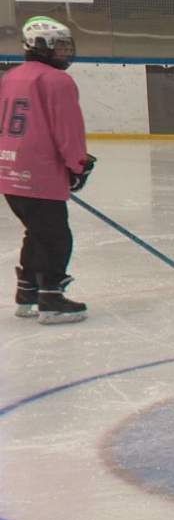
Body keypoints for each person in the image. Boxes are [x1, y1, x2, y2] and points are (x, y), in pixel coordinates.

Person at [1, 17, 94, 324]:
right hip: (40, 171)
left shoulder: (10, 77)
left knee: (38, 231)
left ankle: (27, 293)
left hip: (9, 169)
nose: (66, 53)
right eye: (60, 46)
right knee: (56, 237)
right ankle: (51, 300)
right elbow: (67, 129)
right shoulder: (58, 81)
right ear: (41, 46)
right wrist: (78, 165)